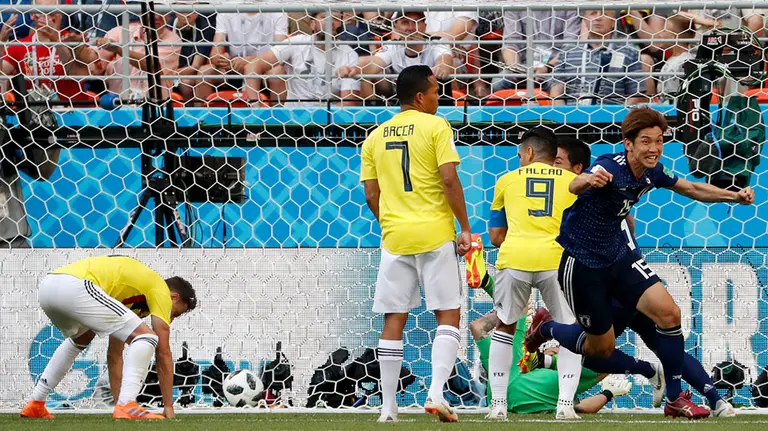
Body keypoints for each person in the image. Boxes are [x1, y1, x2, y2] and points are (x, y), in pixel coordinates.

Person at [524, 106, 754, 419]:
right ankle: (547, 326)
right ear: (628, 144)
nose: (654, 148)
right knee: (600, 349)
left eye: (659, 141)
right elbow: (574, 185)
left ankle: (675, 398)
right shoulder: (609, 166)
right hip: (583, 265)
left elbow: (691, 188)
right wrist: (590, 179)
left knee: (670, 314)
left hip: (620, 258)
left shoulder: (652, 172)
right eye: (646, 141)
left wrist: (733, 196)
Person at [359, 65, 471, 423]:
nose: (440, 97)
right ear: (420, 97)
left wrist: (391, 223)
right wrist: (465, 227)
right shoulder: (436, 126)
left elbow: (371, 194)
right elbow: (449, 180)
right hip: (434, 233)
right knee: (448, 314)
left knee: (394, 319)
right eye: (437, 91)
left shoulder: (374, 137)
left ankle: (388, 408)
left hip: (395, 238)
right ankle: (436, 393)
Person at [465, 130, 587, 420]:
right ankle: (565, 406)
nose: (519, 159)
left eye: (520, 155)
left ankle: (498, 406)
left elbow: (496, 235)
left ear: (529, 153)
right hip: (556, 261)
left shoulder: (506, 180)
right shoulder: (573, 181)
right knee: (570, 329)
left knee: (505, 327)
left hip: (515, 259)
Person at [19, 255, 197, 420]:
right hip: (74, 285)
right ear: (174, 297)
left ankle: (36, 402)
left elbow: (114, 354)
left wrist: (117, 403)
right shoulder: (160, 289)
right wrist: (168, 406)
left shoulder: (132, 295)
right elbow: (163, 352)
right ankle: (127, 404)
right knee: (147, 337)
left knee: (81, 338)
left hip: (49, 287)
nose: (171, 319)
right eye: (175, 313)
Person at [471, 309, 634, 415]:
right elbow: (477, 327)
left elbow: (477, 326)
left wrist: (607, 393)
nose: (556, 347)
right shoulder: (513, 354)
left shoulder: (565, 381)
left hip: (503, 399)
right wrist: (607, 394)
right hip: (509, 389)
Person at [244, 11, 360, 106]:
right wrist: (255, 108)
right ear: (312, 24)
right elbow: (253, 66)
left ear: (341, 26)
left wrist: (318, 117)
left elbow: (348, 103)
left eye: (336, 18)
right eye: (324, 17)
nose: (330, 22)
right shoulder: (297, 43)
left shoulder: (349, 54)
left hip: (328, 119)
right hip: (294, 118)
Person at [338, 11, 453, 102]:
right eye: (405, 22)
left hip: (435, 104)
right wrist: (353, 68)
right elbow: (374, 63)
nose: (411, 28)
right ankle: (375, 111)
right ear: (395, 26)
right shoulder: (393, 46)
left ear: (424, 26)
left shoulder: (438, 42)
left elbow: (444, 60)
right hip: (404, 104)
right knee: (365, 73)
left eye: (416, 22)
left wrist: (442, 66)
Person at [549, 9, 648, 105]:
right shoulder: (568, 51)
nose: (598, 18)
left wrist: (618, 114)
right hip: (572, 113)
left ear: (613, 22)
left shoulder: (628, 52)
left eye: (604, 14)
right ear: (585, 20)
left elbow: (636, 94)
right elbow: (556, 92)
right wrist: (566, 114)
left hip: (611, 114)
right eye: (593, 13)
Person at [194, 9, 288, 102]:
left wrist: (249, 61)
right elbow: (215, 53)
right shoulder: (226, 10)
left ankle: (278, 111)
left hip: (265, 66)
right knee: (204, 72)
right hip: (233, 65)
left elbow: (281, 52)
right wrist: (221, 59)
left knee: (277, 72)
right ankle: (204, 112)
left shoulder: (277, 11)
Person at [94, 11, 181, 99]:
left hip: (155, 104)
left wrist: (119, 50)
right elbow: (96, 66)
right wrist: (84, 50)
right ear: (140, 13)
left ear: (169, 16)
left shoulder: (173, 40)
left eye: (161, 11)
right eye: (151, 11)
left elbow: (152, 66)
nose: (157, 16)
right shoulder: (120, 32)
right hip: (118, 103)